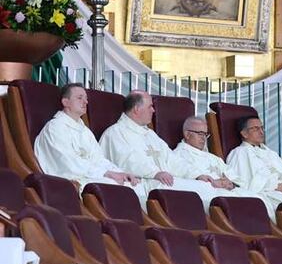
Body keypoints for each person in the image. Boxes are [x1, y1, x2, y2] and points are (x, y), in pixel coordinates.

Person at [99, 91, 230, 211]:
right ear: (137, 109)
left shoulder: (150, 134)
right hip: (144, 185)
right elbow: (127, 162)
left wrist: (197, 175)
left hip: (161, 181)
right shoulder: (116, 133)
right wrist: (155, 173)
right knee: (205, 191)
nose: (153, 110)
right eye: (150, 106)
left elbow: (172, 159)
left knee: (207, 187)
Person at [33, 83, 144, 198]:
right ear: (65, 102)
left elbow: (99, 159)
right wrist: (106, 173)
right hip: (70, 181)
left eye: (86, 99)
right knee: (118, 187)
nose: (85, 102)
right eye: (80, 98)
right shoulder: (55, 128)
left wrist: (120, 173)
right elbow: (68, 163)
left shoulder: (85, 131)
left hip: (90, 176)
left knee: (133, 185)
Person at [170, 116, 239, 191]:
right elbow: (183, 181)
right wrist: (211, 183)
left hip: (229, 192)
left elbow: (233, 176)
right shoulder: (177, 156)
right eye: (200, 133)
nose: (204, 138)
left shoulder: (212, 157)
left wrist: (230, 183)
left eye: (205, 134)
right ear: (187, 135)